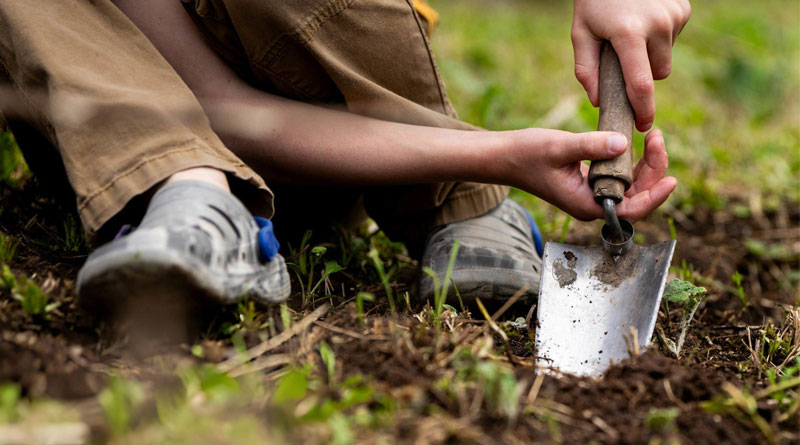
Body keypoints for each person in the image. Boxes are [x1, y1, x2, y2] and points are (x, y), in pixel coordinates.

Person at [0, 0, 689, 325]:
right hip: (175, 147)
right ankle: (191, 196)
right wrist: (500, 154)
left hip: (353, 107)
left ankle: (454, 204)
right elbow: (224, 109)